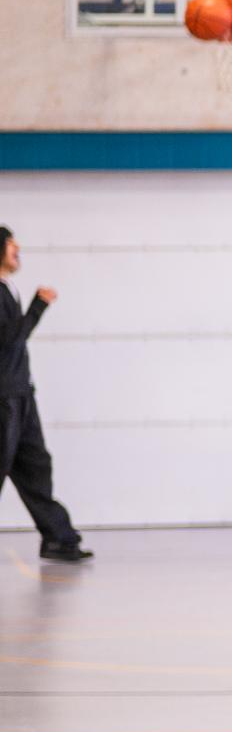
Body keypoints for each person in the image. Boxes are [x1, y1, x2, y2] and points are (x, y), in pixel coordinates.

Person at [0, 226, 89, 563]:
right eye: (10, 244)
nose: (17, 248)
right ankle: (59, 537)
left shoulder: (7, 288)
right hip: (4, 398)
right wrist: (38, 307)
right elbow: (9, 338)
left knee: (36, 465)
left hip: (20, 394)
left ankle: (59, 538)